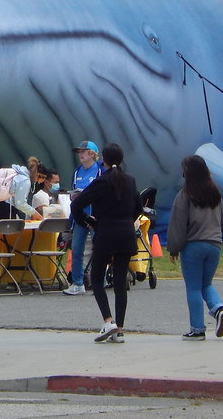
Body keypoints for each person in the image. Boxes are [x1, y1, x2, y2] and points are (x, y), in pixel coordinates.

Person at [69, 143, 143, 344]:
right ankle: (119, 329)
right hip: (126, 234)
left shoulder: (102, 181)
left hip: (105, 233)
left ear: (104, 160)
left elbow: (77, 203)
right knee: (120, 282)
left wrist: (88, 219)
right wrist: (127, 220)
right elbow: (139, 207)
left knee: (97, 278)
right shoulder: (130, 181)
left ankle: (107, 320)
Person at [167, 154, 223, 341]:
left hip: (194, 245)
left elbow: (178, 223)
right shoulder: (215, 194)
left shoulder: (185, 194)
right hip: (214, 245)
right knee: (206, 283)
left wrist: (174, 248)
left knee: (193, 288)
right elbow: (222, 220)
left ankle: (197, 329)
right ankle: (218, 309)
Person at [64, 140, 103, 295]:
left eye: (83, 151)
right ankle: (78, 283)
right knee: (77, 248)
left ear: (92, 154)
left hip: (95, 216)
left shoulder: (99, 170)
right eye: (79, 152)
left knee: (99, 249)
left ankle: (100, 280)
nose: (80, 154)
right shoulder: (76, 172)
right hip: (81, 216)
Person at [0, 157, 43, 222]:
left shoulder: (18, 174)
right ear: (37, 174)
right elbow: (20, 204)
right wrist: (34, 213)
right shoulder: (25, 180)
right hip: (6, 213)